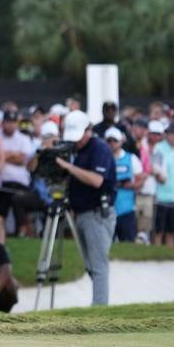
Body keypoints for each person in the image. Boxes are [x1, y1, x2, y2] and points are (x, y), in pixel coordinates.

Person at [56, 110, 116, 306]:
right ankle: (100, 305)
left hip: (97, 213)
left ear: (88, 130)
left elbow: (96, 180)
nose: (76, 141)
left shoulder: (100, 149)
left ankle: (99, 309)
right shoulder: (77, 150)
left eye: (79, 136)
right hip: (81, 213)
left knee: (98, 266)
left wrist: (68, 167)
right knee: (90, 265)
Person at [0, 110, 36, 237]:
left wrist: (4, 155)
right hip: (1, 181)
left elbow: (23, 160)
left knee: (19, 203)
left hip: (20, 181)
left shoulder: (23, 138)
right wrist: (13, 154)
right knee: (0, 210)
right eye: (8, 122)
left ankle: (21, 233)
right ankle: (1, 235)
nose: (11, 125)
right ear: (3, 123)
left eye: (13, 122)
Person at [105, 127, 143, 242]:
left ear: (121, 141)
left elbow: (139, 181)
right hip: (107, 209)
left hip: (126, 209)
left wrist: (126, 185)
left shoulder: (131, 158)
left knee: (127, 242)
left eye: (114, 141)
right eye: (109, 141)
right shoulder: (102, 158)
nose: (112, 144)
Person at [152, 123, 174, 247]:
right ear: (167, 135)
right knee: (158, 231)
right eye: (171, 134)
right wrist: (159, 176)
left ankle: (168, 258)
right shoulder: (159, 147)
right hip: (160, 197)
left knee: (171, 232)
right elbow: (155, 168)